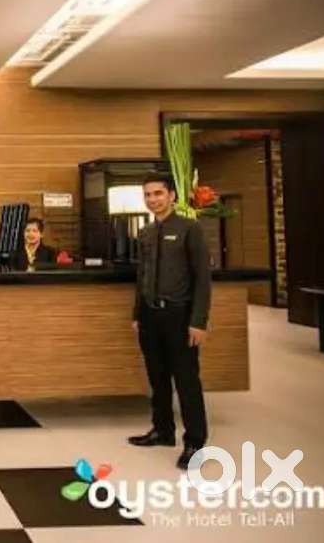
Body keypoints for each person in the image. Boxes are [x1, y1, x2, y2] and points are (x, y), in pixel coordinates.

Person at [128, 172, 211, 470]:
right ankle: (162, 430)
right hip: (150, 316)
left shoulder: (190, 228)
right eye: (148, 195)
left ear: (172, 195)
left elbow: (203, 278)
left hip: (180, 315)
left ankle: (195, 442)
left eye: (158, 193)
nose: (153, 199)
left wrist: (199, 321)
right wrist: (137, 314)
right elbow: (142, 276)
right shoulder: (146, 232)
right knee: (157, 377)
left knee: (186, 380)